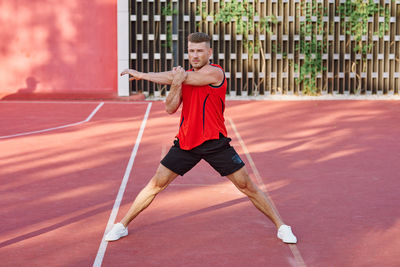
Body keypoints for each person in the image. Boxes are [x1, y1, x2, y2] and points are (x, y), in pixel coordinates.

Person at [105, 32, 297, 244]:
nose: (195, 55)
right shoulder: (183, 77)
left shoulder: (215, 73)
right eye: (191, 51)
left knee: (247, 186)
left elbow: (179, 77)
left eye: (199, 51)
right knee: (156, 185)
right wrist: (176, 83)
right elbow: (170, 108)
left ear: (209, 52)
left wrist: (142, 74)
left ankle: (282, 226)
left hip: (215, 142)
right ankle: (122, 225)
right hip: (186, 142)